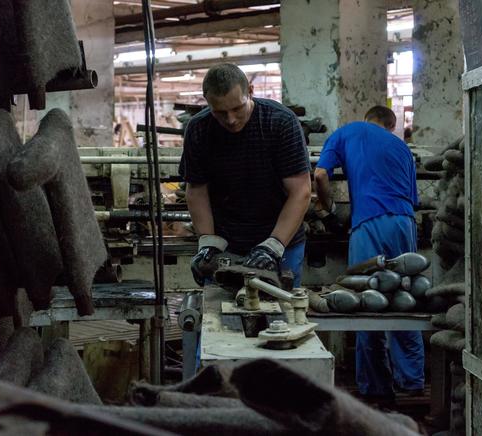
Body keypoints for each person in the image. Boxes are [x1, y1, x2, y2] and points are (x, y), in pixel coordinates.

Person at [314, 105, 423, 404]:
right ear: (390, 126)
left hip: (368, 222)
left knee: (366, 301)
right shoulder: (402, 149)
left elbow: (321, 174)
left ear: (367, 119)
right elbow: (413, 199)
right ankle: (412, 381)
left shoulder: (347, 132)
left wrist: (329, 209)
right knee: (406, 298)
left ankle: (376, 387)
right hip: (403, 222)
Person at [179, 63, 311, 287]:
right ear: (207, 101)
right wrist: (208, 243)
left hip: (282, 240)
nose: (230, 119)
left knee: (282, 315)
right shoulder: (199, 129)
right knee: (220, 315)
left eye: (237, 109)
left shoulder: (280, 122)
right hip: (227, 244)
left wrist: (273, 246)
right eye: (220, 112)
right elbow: (197, 191)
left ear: (250, 91)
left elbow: (301, 191)